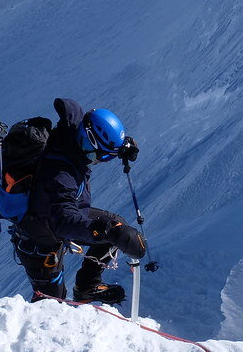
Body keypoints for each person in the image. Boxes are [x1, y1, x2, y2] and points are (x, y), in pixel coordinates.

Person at [11, 97, 147, 304]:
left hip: (63, 213)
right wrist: (108, 230)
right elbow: (65, 222)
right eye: (99, 156)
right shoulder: (60, 174)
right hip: (39, 236)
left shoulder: (75, 131)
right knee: (50, 302)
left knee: (116, 225)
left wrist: (121, 146)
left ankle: (87, 287)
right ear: (89, 142)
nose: (98, 161)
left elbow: (97, 134)